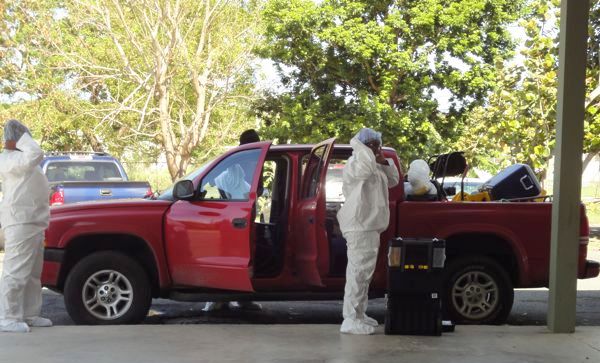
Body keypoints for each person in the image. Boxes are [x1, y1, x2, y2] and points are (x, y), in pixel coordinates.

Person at [336, 128, 399, 335]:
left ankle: (359, 314)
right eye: (371, 144)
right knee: (358, 273)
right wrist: (364, 148)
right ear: (362, 145)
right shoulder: (357, 163)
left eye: (377, 144)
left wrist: (383, 160)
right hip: (359, 225)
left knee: (364, 274)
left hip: (370, 225)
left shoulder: (374, 165)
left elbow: (394, 181)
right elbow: (365, 170)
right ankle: (350, 319)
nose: (376, 148)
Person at [0, 119, 52, 333]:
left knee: (32, 273)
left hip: (33, 221)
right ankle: (7, 317)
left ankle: (30, 313)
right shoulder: (10, 159)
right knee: (16, 272)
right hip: (20, 221)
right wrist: (19, 140)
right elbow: (35, 153)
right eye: (24, 135)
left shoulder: (19, 159)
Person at [203, 129, 263, 312]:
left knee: (242, 258)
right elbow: (212, 181)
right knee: (234, 259)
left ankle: (240, 299)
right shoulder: (236, 162)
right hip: (235, 215)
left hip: (240, 215)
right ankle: (223, 298)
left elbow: (257, 189)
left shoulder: (254, 162)